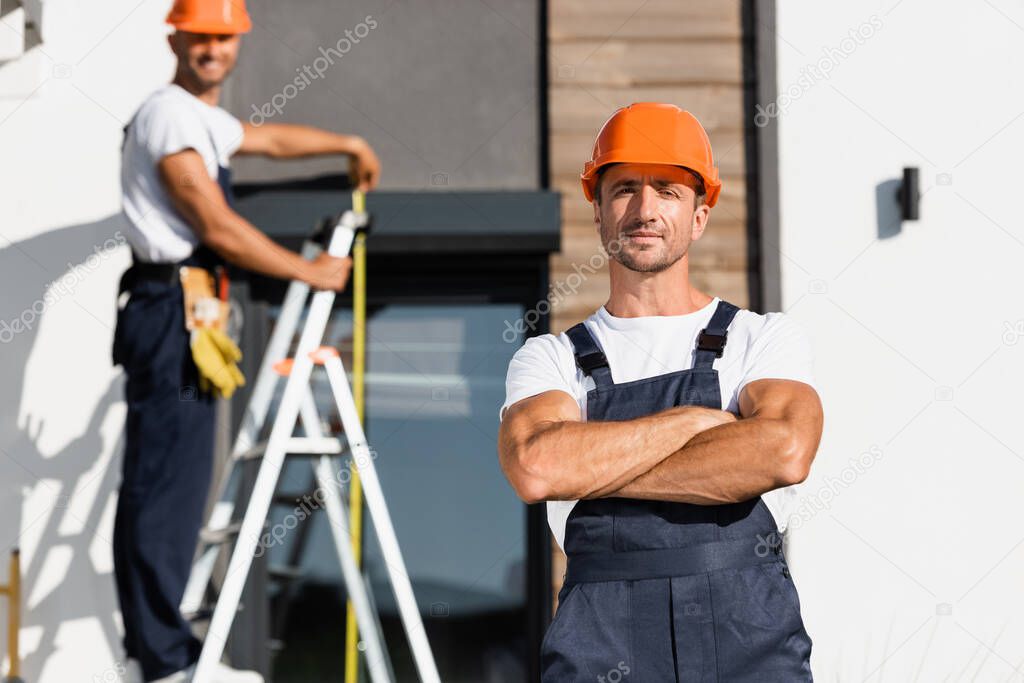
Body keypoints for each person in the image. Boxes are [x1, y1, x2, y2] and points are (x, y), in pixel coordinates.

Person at [498, 102, 823, 681]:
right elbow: (537, 467)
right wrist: (695, 424)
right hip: (600, 649)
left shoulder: (761, 337)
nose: (644, 210)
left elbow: (783, 451)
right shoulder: (549, 357)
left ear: (699, 215)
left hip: (750, 649)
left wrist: (593, 468)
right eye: (624, 189)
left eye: (668, 191)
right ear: (597, 212)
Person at [112, 1, 381, 681]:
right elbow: (216, 223)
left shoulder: (203, 121)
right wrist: (308, 269)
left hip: (189, 306)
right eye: (200, 36)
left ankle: (166, 650)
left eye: (223, 38)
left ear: (237, 44)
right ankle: (165, 660)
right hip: (169, 302)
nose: (212, 49)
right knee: (162, 482)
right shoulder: (167, 113)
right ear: (176, 36)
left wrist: (346, 143)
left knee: (181, 477)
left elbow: (266, 140)